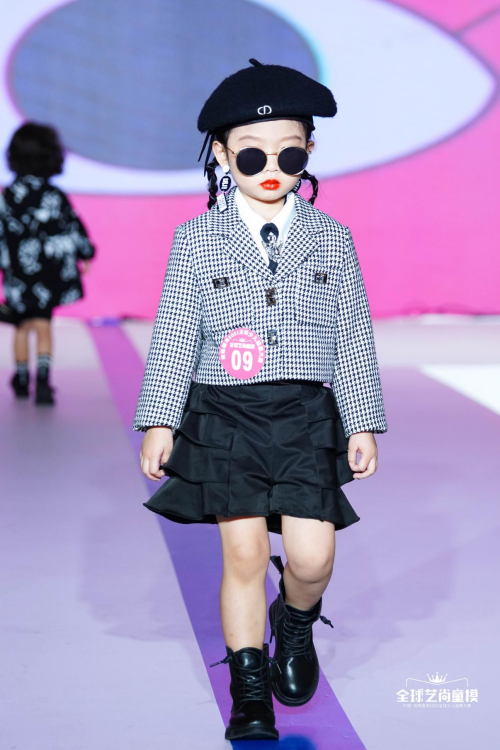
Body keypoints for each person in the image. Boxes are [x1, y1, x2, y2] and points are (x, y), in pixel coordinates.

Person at [134, 59, 388, 741]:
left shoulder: (332, 237)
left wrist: (362, 420)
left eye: (289, 153)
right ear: (221, 155)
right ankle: (250, 691)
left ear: (310, 150)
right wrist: (160, 419)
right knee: (244, 555)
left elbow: (353, 333)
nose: (271, 168)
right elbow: (176, 332)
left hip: (304, 417)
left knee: (312, 558)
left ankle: (294, 622)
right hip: (225, 416)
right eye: (251, 154)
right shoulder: (196, 240)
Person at [0, 122, 96, 404]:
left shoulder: (8, 195)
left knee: (21, 326)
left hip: (18, 273)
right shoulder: (55, 196)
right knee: (43, 324)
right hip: (48, 275)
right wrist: (85, 253)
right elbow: (74, 229)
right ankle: (43, 381)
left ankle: (21, 378)